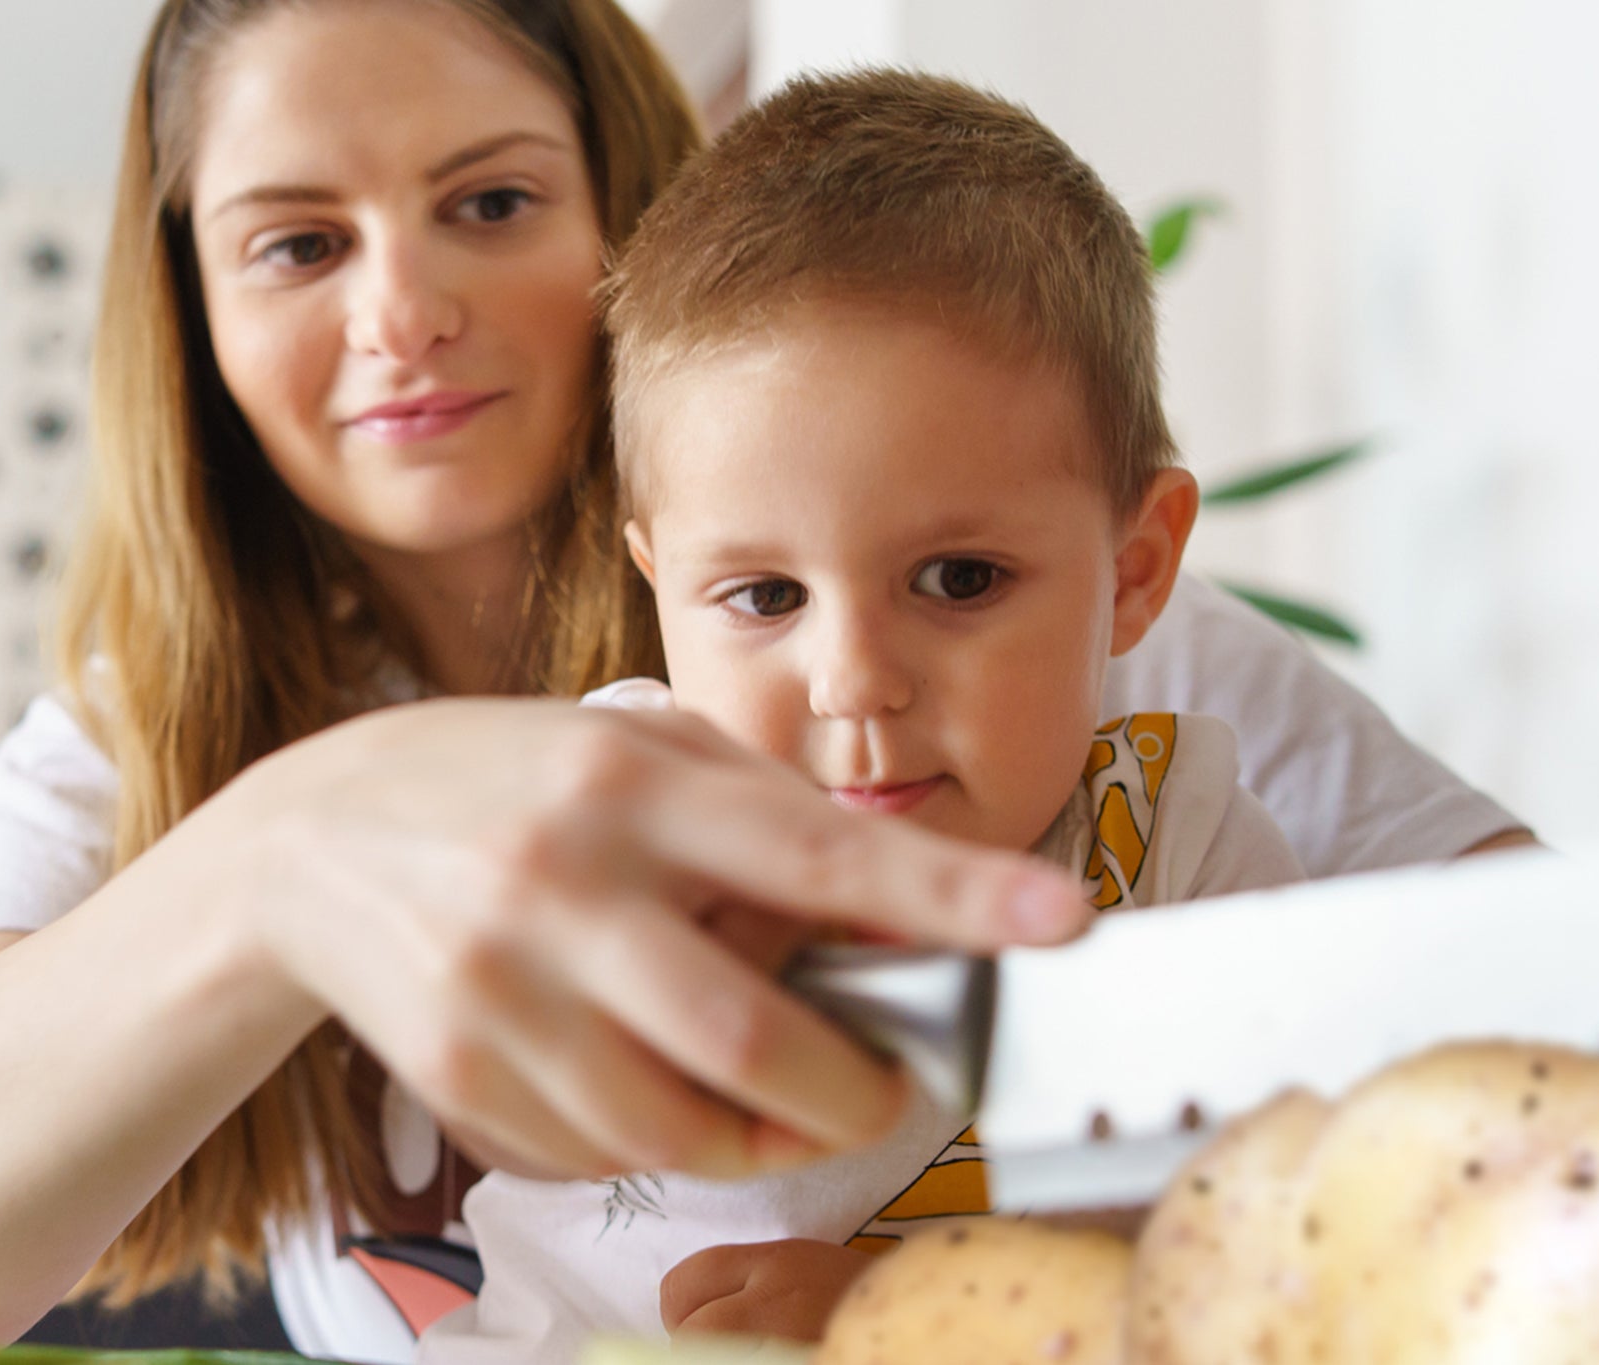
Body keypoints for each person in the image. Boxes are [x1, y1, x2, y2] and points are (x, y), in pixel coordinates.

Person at [0, 1, 1525, 1362]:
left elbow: (1544, 1055)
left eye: (491, 200)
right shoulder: (140, 725)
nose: (402, 311)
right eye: (298, 242)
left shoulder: (1041, 645)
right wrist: (283, 851)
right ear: (199, 313)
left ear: (622, 211)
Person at [422, 66, 1311, 1360]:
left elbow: (1292, 1254)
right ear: (659, 581)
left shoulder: (1186, 858)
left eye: (959, 580)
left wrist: (918, 1320)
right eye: (765, 593)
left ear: (1133, 569)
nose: (853, 680)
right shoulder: (612, 806)